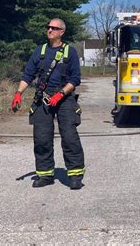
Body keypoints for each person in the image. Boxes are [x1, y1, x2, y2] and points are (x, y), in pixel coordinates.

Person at [11, 18, 85, 190]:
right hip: (42, 99)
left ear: (62, 32)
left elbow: (75, 79)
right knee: (42, 138)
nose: (50, 30)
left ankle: (75, 175)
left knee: (69, 137)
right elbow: (28, 75)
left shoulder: (70, 52)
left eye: (54, 28)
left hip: (65, 98)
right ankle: (45, 175)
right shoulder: (40, 51)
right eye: (48, 27)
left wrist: (60, 94)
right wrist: (18, 93)